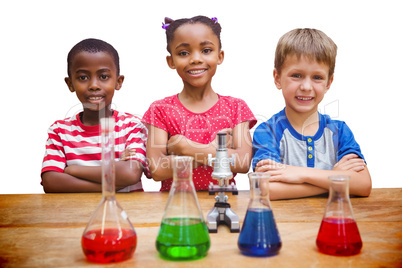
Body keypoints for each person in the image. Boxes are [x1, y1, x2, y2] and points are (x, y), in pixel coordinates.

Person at [252, 28, 372, 200]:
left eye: (317, 77)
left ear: (328, 82)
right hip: (286, 225)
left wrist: (300, 174)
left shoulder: (340, 131)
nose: (306, 87)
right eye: (297, 75)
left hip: (333, 223)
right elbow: (264, 189)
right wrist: (334, 179)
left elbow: (363, 185)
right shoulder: (267, 132)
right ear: (277, 78)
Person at [142, 16, 257, 191]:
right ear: (171, 61)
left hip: (224, 204)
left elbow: (241, 162)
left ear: (220, 56)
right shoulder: (160, 110)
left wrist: (184, 147)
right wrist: (213, 150)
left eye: (206, 50)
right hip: (175, 208)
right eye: (183, 53)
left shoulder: (237, 108)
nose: (195, 59)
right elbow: (157, 169)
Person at [41, 38, 149, 193]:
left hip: (127, 213)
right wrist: (112, 182)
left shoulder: (132, 126)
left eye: (103, 76)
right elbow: (51, 182)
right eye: (83, 77)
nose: (93, 85)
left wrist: (73, 170)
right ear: (70, 84)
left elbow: (129, 174)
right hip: (75, 215)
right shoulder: (59, 131)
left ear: (118, 82)